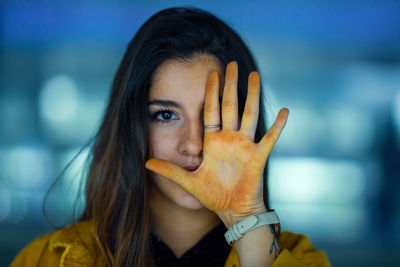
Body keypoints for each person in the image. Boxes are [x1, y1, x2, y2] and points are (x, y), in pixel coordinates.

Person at [11, 7, 331, 267]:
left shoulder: (299, 259)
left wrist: (247, 219)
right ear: (132, 127)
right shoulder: (47, 259)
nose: (192, 145)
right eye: (165, 115)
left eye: (213, 116)